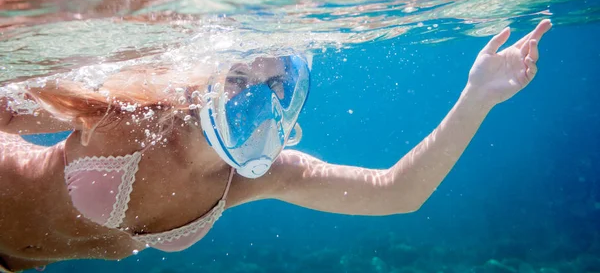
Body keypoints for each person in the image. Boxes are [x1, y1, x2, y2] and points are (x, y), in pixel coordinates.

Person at [0, 20, 552, 272]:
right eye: (240, 81)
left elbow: (396, 191)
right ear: (206, 78)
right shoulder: (134, 108)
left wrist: (477, 97)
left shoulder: (256, 177)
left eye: (276, 87)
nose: (256, 106)